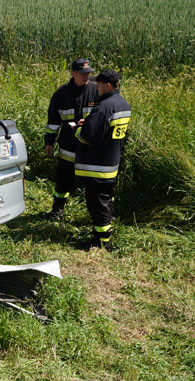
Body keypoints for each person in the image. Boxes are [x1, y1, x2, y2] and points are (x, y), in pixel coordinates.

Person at [74, 69, 131, 251]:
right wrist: (90, 122)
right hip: (111, 162)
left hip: (97, 165)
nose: (95, 88)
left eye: (97, 84)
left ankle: (102, 241)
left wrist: (78, 130)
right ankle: (102, 233)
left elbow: (89, 137)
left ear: (106, 85)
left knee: (96, 203)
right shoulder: (123, 104)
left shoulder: (104, 106)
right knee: (106, 200)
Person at [44, 59, 99, 219]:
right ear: (72, 73)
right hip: (68, 146)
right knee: (63, 180)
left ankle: (97, 215)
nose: (86, 76)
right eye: (82, 73)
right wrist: (49, 141)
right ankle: (57, 210)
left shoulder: (96, 90)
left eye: (89, 73)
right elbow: (53, 120)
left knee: (93, 184)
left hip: (90, 146)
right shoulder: (61, 94)